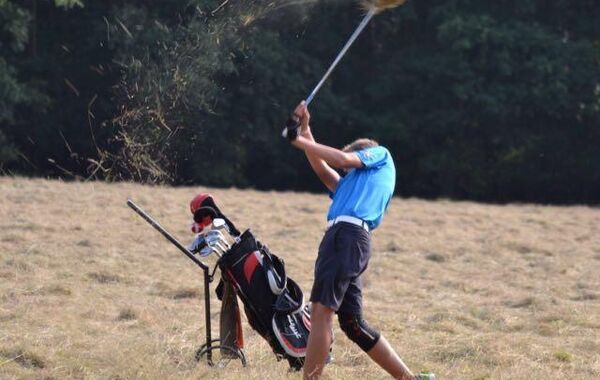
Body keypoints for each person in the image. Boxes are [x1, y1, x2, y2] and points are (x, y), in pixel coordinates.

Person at [286, 101, 435, 380]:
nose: (345, 173)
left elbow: (341, 161)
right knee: (353, 324)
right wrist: (305, 129)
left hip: (346, 238)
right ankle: (409, 379)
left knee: (320, 313)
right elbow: (322, 168)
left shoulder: (379, 154)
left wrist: (300, 142)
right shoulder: (350, 185)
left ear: (363, 154)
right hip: (348, 241)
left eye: (351, 167)